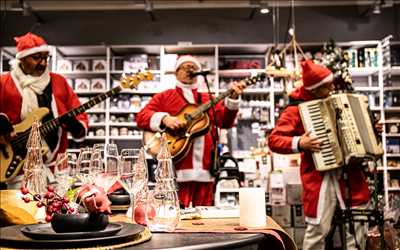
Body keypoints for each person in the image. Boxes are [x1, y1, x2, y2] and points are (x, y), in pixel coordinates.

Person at [268, 60, 380, 250]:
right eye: (326, 86)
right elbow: (274, 140)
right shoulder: (295, 109)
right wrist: (300, 143)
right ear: (315, 89)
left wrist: (372, 130)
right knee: (317, 229)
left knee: (358, 224)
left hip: (350, 174)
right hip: (319, 177)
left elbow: (357, 132)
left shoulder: (339, 101)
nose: (332, 88)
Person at [136, 55, 246, 208]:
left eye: (193, 67)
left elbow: (225, 122)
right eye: (185, 67)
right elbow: (141, 117)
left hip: (206, 169)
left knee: (204, 217)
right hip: (177, 166)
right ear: (176, 72)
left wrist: (233, 100)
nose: (190, 70)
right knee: (177, 214)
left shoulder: (207, 97)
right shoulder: (165, 96)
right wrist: (165, 119)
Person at [0, 32, 88, 189]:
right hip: (18, 170)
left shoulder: (59, 81)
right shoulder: (4, 82)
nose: (42, 63)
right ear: (21, 58)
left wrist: (76, 125)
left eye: (45, 58)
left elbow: (81, 117)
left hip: (57, 169)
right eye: (36, 58)